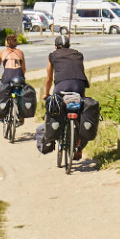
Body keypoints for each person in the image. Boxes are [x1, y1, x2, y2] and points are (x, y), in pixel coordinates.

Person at [37, 32, 96, 160]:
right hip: (78, 86)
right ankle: (79, 147)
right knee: (79, 114)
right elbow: (81, 72)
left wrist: (46, 94)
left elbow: (49, 78)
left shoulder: (52, 56)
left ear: (55, 46)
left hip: (61, 87)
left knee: (57, 110)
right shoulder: (78, 55)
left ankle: (55, 136)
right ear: (69, 45)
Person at [0, 33, 27, 120]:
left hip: (8, 74)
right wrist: (22, 78)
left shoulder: (2, 52)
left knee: (3, 94)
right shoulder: (20, 52)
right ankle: (21, 116)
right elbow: (24, 69)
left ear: (7, 43)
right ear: (16, 43)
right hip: (18, 74)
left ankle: (3, 113)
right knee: (19, 94)